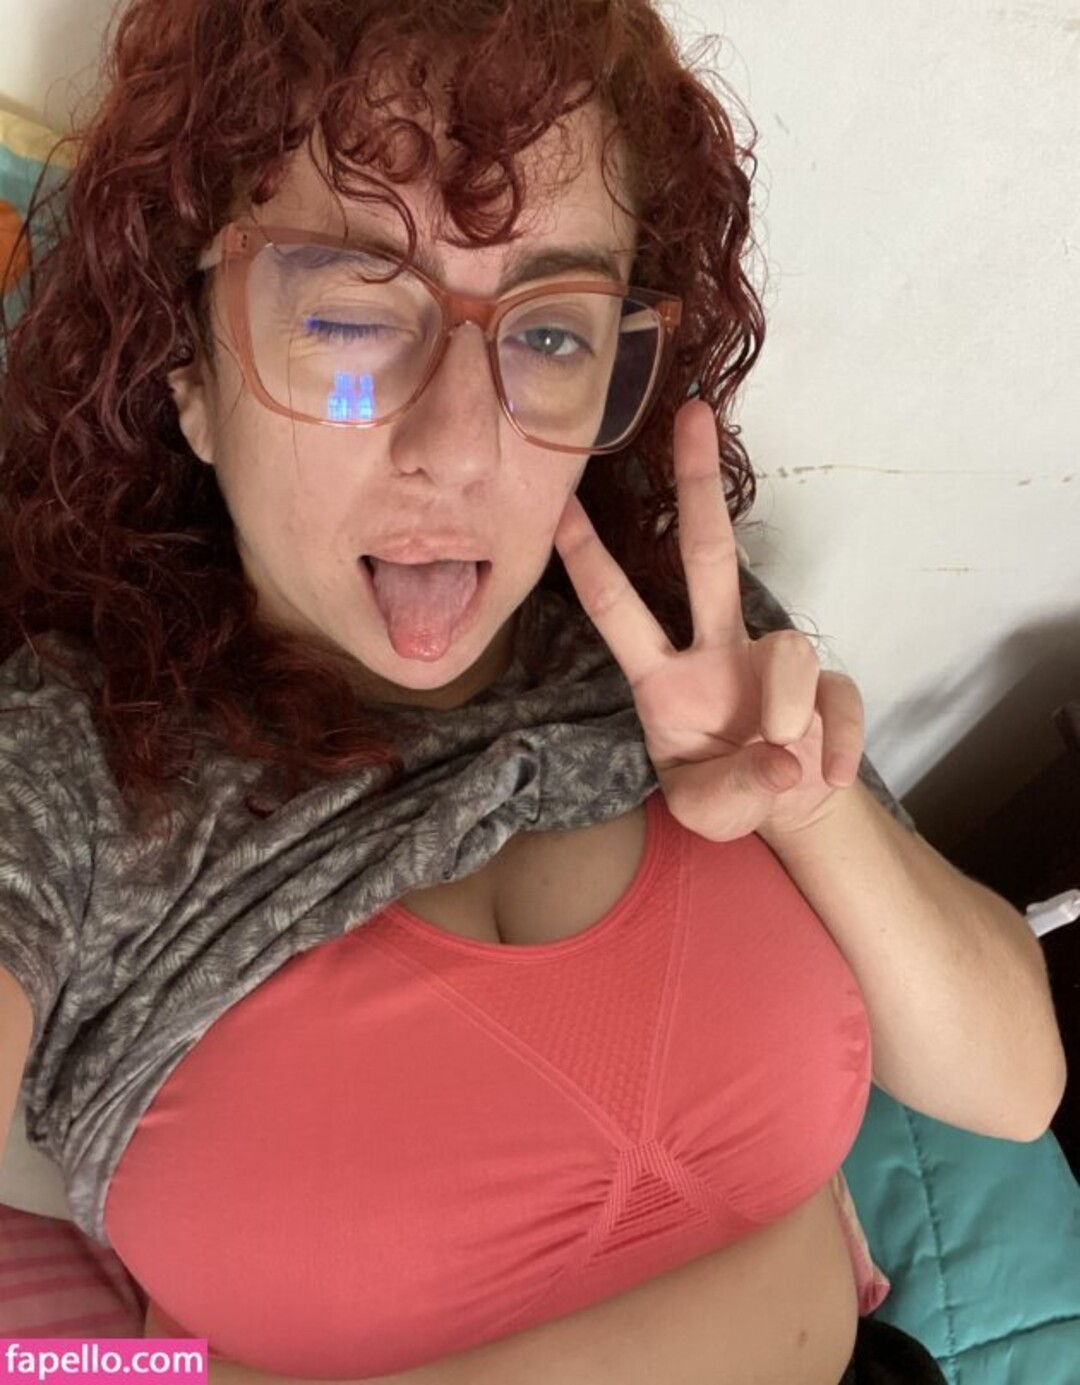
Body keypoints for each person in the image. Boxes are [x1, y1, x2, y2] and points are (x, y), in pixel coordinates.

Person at [0, 0, 1066, 1380]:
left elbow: (1013, 1084)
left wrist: (814, 812)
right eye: (349, 313)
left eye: (551, 334)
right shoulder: (71, 769)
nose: (458, 446)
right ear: (189, 373)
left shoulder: (678, 638)